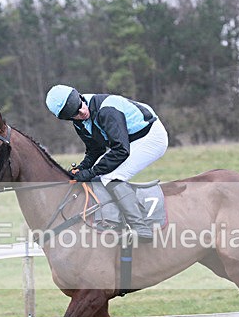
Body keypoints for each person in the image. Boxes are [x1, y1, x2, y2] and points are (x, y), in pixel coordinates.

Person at [45, 85, 168, 239]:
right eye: (75, 113)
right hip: (129, 140)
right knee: (99, 176)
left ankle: (140, 227)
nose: (82, 112)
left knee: (111, 177)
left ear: (80, 97)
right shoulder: (79, 122)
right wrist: (81, 169)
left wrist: (90, 172)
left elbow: (121, 150)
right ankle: (114, 220)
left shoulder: (106, 111)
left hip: (151, 136)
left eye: (80, 106)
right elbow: (95, 150)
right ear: (68, 118)